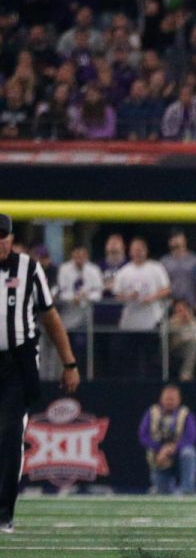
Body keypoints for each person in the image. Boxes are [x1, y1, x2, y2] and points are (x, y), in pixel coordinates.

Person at [0, 214, 81, 532]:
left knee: (9, 435)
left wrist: (69, 363)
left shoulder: (29, 268)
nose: (0, 242)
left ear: (12, 238)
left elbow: (50, 316)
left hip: (17, 362)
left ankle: (3, 512)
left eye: (4, 236)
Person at [113, 237, 171, 378]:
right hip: (130, 323)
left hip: (151, 322)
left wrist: (152, 297)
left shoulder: (156, 268)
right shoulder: (124, 271)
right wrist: (129, 297)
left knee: (151, 358)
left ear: (146, 251)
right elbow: (117, 294)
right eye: (135, 250)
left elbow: (166, 289)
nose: (138, 253)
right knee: (129, 358)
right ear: (130, 252)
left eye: (140, 250)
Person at [139, 384, 196, 495]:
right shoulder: (152, 413)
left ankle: (187, 489)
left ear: (179, 400)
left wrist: (172, 448)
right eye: (167, 399)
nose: (169, 402)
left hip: (179, 455)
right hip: (159, 457)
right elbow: (143, 436)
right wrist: (158, 448)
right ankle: (160, 487)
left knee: (189, 452)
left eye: (172, 399)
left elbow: (191, 437)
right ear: (161, 399)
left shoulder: (185, 414)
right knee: (163, 492)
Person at [55, 243, 103, 374]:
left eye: (82, 256)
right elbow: (62, 291)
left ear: (86, 256)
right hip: (68, 317)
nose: (79, 259)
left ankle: (85, 374)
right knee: (66, 349)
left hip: (86, 318)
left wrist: (85, 297)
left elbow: (98, 292)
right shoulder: (64, 269)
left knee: (84, 350)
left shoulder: (94, 270)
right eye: (76, 256)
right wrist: (73, 298)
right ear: (72, 255)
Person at [160, 229, 196, 313]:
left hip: (190, 303)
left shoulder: (195, 260)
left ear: (184, 240)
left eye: (178, 237)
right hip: (170, 304)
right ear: (169, 242)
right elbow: (161, 285)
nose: (176, 240)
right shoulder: (164, 261)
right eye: (173, 238)